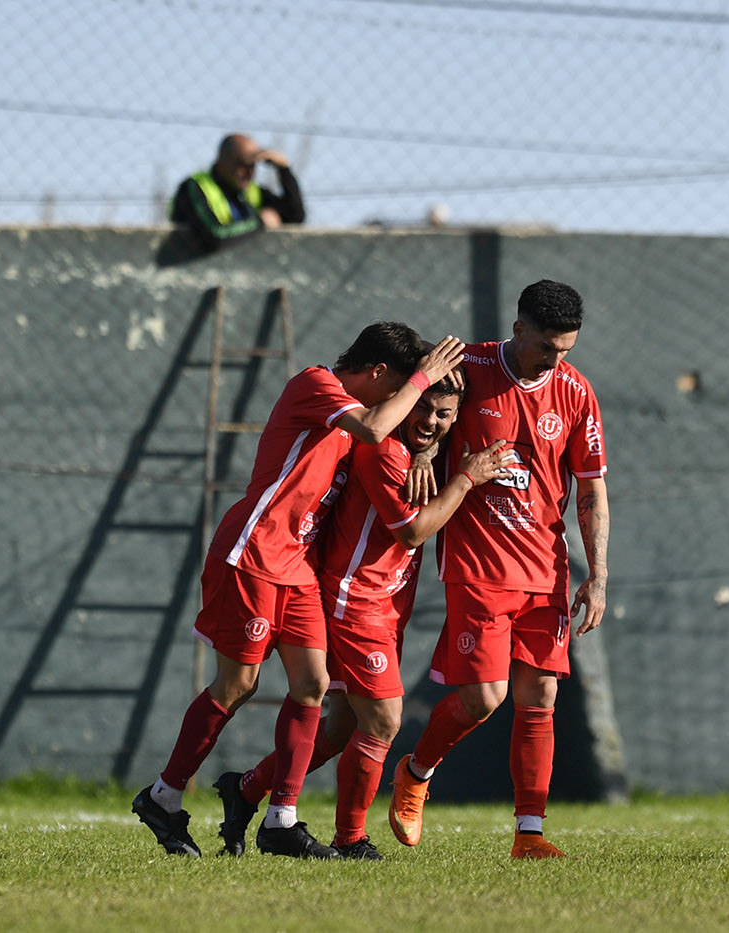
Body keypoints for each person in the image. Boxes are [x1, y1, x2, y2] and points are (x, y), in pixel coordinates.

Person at [132, 323, 465, 860]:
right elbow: (377, 429)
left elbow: (393, 431)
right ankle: (163, 796)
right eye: (403, 389)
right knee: (237, 684)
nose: (408, 403)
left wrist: (425, 452)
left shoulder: (365, 416)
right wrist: (423, 378)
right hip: (255, 553)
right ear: (380, 373)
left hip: (300, 566)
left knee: (312, 685)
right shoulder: (317, 385)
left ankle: (281, 820)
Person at [210, 374, 510, 860]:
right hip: (355, 600)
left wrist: (431, 455)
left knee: (342, 726)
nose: (429, 421)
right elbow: (413, 532)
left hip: (386, 604)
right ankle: (350, 838)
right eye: (422, 408)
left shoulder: (421, 449)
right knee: (384, 720)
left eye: (444, 414)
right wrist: (466, 478)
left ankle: (245, 790)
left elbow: (433, 449)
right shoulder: (384, 450)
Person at [387, 280, 610, 859]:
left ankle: (529, 834)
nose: (555, 361)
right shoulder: (470, 366)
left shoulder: (576, 392)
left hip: (546, 569)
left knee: (540, 695)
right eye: (546, 348)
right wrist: (424, 452)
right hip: (479, 564)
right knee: (485, 698)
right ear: (518, 330)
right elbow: (422, 413)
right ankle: (415, 772)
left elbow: (591, 489)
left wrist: (598, 574)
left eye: (566, 350)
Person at [169, 133, 306, 252]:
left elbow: (294, 216)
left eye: (253, 166)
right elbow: (214, 237)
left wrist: (284, 170)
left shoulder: (251, 191)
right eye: (243, 165)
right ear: (223, 161)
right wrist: (259, 223)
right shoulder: (195, 187)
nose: (249, 173)